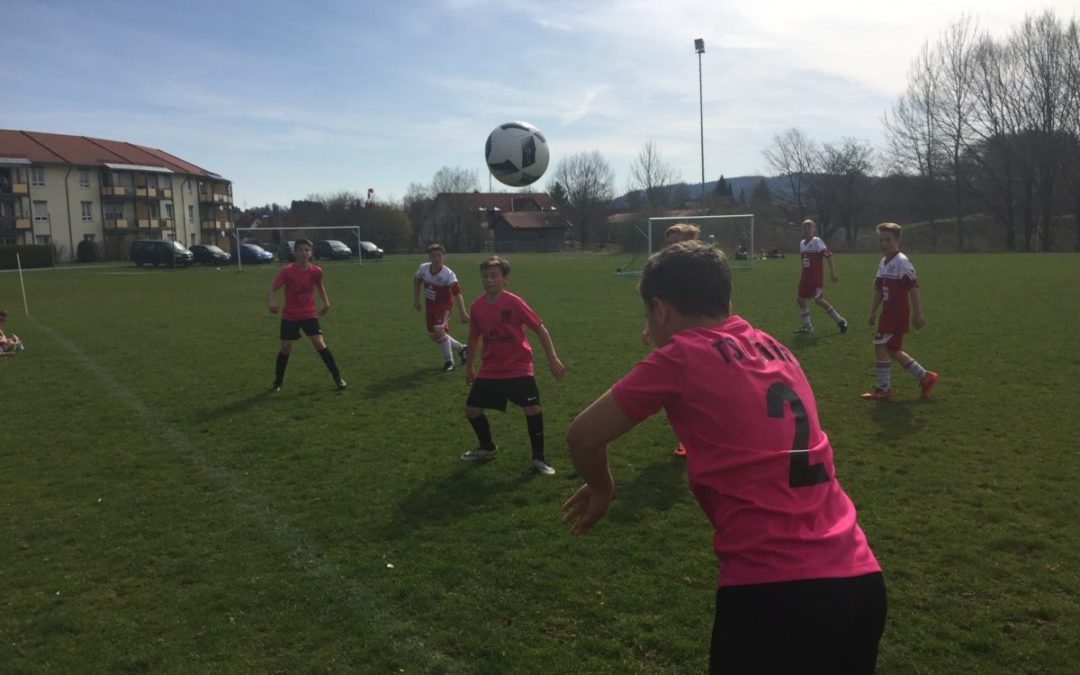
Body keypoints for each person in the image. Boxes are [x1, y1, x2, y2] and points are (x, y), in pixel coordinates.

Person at [562, 242, 886, 674]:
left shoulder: (680, 355)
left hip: (775, 591)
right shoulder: (778, 350)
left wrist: (602, 487)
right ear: (727, 301)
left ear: (659, 310)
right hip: (859, 578)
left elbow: (583, 436)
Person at [461, 256, 566, 475]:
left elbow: (540, 330)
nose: (489, 280)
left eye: (494, 276)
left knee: (533, 409)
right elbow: (473, 339)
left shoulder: (514, 303)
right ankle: (487, 447)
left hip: (518, 367)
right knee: (471, 411)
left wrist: (553, 359)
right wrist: (469, 367)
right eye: (485, 276)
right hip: (491, 369)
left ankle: (539, 458)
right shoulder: (477, 307)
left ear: (504, 279)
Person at [641, 222, 700, 458]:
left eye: (675, 243)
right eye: (668, 243)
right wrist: (649, 326)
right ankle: (685, 438)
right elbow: (658, 302)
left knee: (696, 387)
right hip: (674, 334)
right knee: (677, 390)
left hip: (699, 335)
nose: (670, 248)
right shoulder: (665, 271)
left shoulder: (701, 269)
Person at [862, 222, 938, 400]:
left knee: (880, 345)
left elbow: (913, 288)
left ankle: (883, 389)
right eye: (881, 240)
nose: (884, 244)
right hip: (887, 313)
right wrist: (873, 312)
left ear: (898, 240)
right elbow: (879, 289)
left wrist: (917, 314)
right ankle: (926, 377)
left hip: (897, 313)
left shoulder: (902, 262)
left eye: (888, 240)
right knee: (892, 350)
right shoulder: (883, 262)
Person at [267, 238, 346, 392]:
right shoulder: (287, 271)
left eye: (306, 250)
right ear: (295, 253)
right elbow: (272, 288)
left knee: (319, 343)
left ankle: (338, 379)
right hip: (290, 315)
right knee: (285, 348)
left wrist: (326, 303)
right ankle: (278, 382)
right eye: (300, 250)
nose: (303, 253)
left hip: (308, 313)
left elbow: (320, 286)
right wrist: (271, 303)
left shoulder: (316, 271)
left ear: (311, 253)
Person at [413, 243, 469, 372]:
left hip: (444, 306)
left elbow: (457, 293)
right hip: (430, 306)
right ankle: (462, 349)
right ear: (429, 257)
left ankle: (449, 362)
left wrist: (463, 313)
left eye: (439, 255)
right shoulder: (424, 269)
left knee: (438, 330)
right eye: (433, 256)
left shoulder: (448, 274)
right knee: (434, 335)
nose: (436, 258)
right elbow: (416, 281)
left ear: (443, 257)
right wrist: (416, 300)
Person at [795, 219, 848, 334]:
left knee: (818, 300)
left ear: (814, 230)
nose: (807, 230)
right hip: (805, 277)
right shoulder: (802, 244)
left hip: (815, 277)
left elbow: (828, 256)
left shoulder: (817, 241)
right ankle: (808, 326)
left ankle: (840, 320)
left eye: (809, 227)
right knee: (800, 300)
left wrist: (833, 272)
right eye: (804, 228)